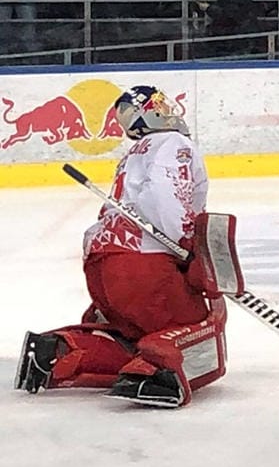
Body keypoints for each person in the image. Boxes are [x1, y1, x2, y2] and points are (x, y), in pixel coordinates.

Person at [15, 86, 231, 408]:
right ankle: (157, 371)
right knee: (204, 318)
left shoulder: (136, 152)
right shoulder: (174, 144)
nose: (168, 107)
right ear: (148, 112)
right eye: (158, 103)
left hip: (104, 267)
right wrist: (187, 245)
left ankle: (60, 351)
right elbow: (165, 197)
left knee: (133, 336)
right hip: (142, 268)